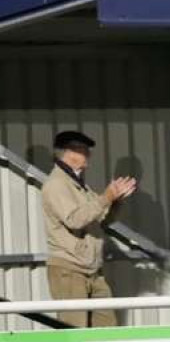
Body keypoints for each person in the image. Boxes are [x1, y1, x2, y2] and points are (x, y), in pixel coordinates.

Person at [41, 131, 136, 328]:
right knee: (74, 331)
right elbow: (75, 220)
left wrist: (116, 201)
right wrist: (106, 197)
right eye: (84, 150)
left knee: (106, 327)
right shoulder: (56, 184)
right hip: (69, 268)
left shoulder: (80, 185)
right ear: (70, 152)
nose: (88, 155)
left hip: (92, 268)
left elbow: (101, 219)